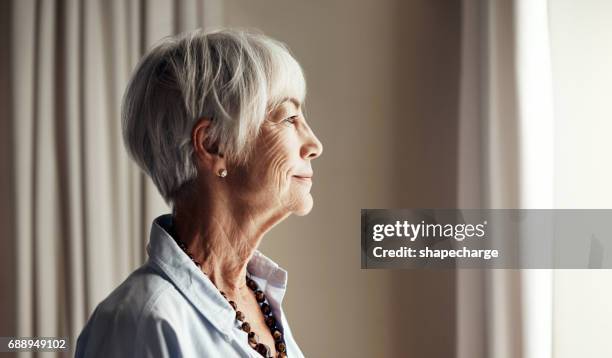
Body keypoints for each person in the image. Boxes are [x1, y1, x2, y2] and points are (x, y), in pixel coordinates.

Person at [75, 28, 323, 358]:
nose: (314, 146)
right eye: (289, 118)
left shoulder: (258, 301)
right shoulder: (142, 321)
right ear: (212, 144)